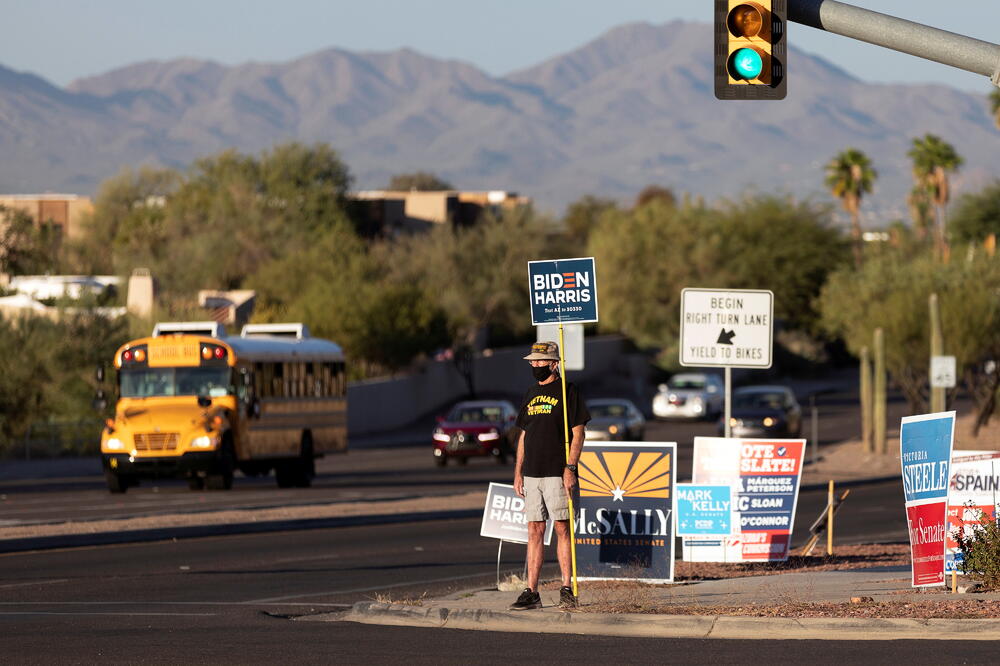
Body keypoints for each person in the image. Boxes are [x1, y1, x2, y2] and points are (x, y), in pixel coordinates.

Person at [509, 341, 590, 610]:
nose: (534, 365)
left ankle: (567, 587)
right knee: (534, 530)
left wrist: (571, 467)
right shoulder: (530, 393)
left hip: (557, 472)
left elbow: (578, 432)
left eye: (539, 362)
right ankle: (531, 591)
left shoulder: (568, 392)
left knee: (562, 528)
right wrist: (518, 471)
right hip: (532, 473)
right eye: (532, 361)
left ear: (553, 363)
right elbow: (524, 435)